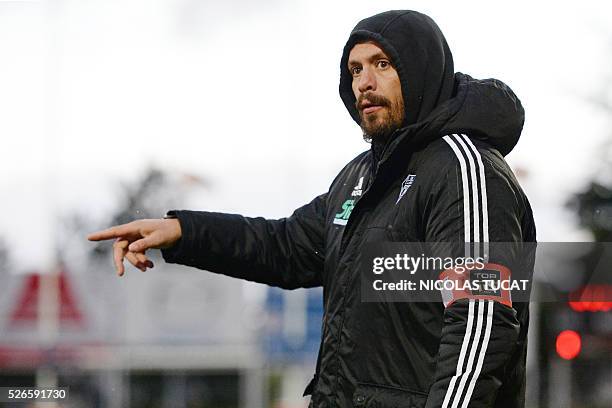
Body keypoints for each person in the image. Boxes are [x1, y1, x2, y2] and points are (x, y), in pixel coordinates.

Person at [88, 10, 536, 408]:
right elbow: (284, 246)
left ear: (421, 70)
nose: (364, 82)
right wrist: (183, 231)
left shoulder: (462, 169)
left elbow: (481, 320)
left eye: (382, 64)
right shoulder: (360, 177)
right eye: (355, 69)